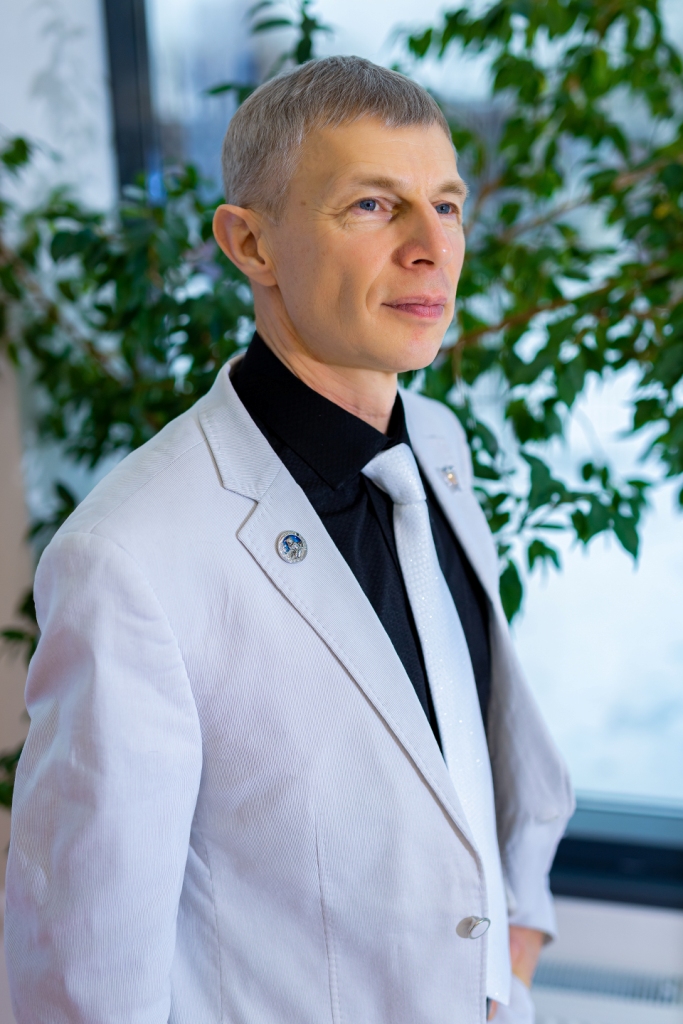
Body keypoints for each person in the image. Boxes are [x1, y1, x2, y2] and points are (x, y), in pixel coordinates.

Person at [5, 56, 574, 1024]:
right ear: (250, 243)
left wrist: (511, 954)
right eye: (371, 205)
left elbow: (465, 748)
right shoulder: (127, 560)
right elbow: (83, 973)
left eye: (445, 204)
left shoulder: (435, 443)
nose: (430, 247)